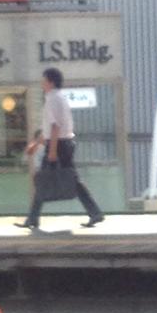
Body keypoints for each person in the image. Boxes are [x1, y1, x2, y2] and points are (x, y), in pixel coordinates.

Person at [15, 67, 104, 230]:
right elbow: (51, 129)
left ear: (50, 82)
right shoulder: (59, 98)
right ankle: (94, 212)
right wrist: (38, 144)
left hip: (59, 145)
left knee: (45, 178)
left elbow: (55, 127)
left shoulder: (52, 99)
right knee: (69, 179)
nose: (42, 83)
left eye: (44, 80)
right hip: (64, 143)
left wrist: (52, 151)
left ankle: (33, 218)